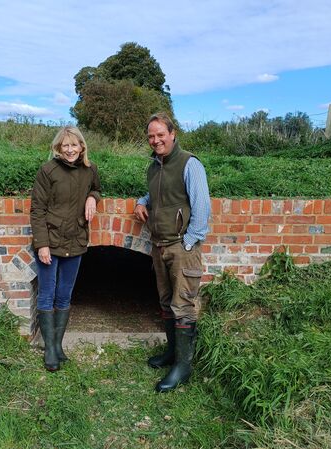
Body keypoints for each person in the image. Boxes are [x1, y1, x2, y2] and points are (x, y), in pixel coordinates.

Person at [134, 112, 210, 392]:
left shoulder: (189, 163)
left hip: (181, 247)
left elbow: (202, 206)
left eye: (160, 135)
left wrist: (189, 241)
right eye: (151, 136)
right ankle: (171, 353)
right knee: (166, 302)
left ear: (172, 133)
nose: (155, 140)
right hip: (160, 245)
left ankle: (184, 366)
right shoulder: (155, 166)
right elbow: (158, 194)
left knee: (183, 305)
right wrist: (142, 201)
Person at [30, 126, 101, 371]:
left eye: (74, 145)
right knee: (47, 293)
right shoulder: (47, 171)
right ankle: (49, 348)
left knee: (65, 294)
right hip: (50, 241)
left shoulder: (90, 170)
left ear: (82, 147)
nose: (70, 150)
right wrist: (42, 244)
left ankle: (58, 345)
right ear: (58, 148)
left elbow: (96, 188)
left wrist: (92, 197)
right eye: (65, 146)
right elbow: (37, 210)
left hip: (76, 240)